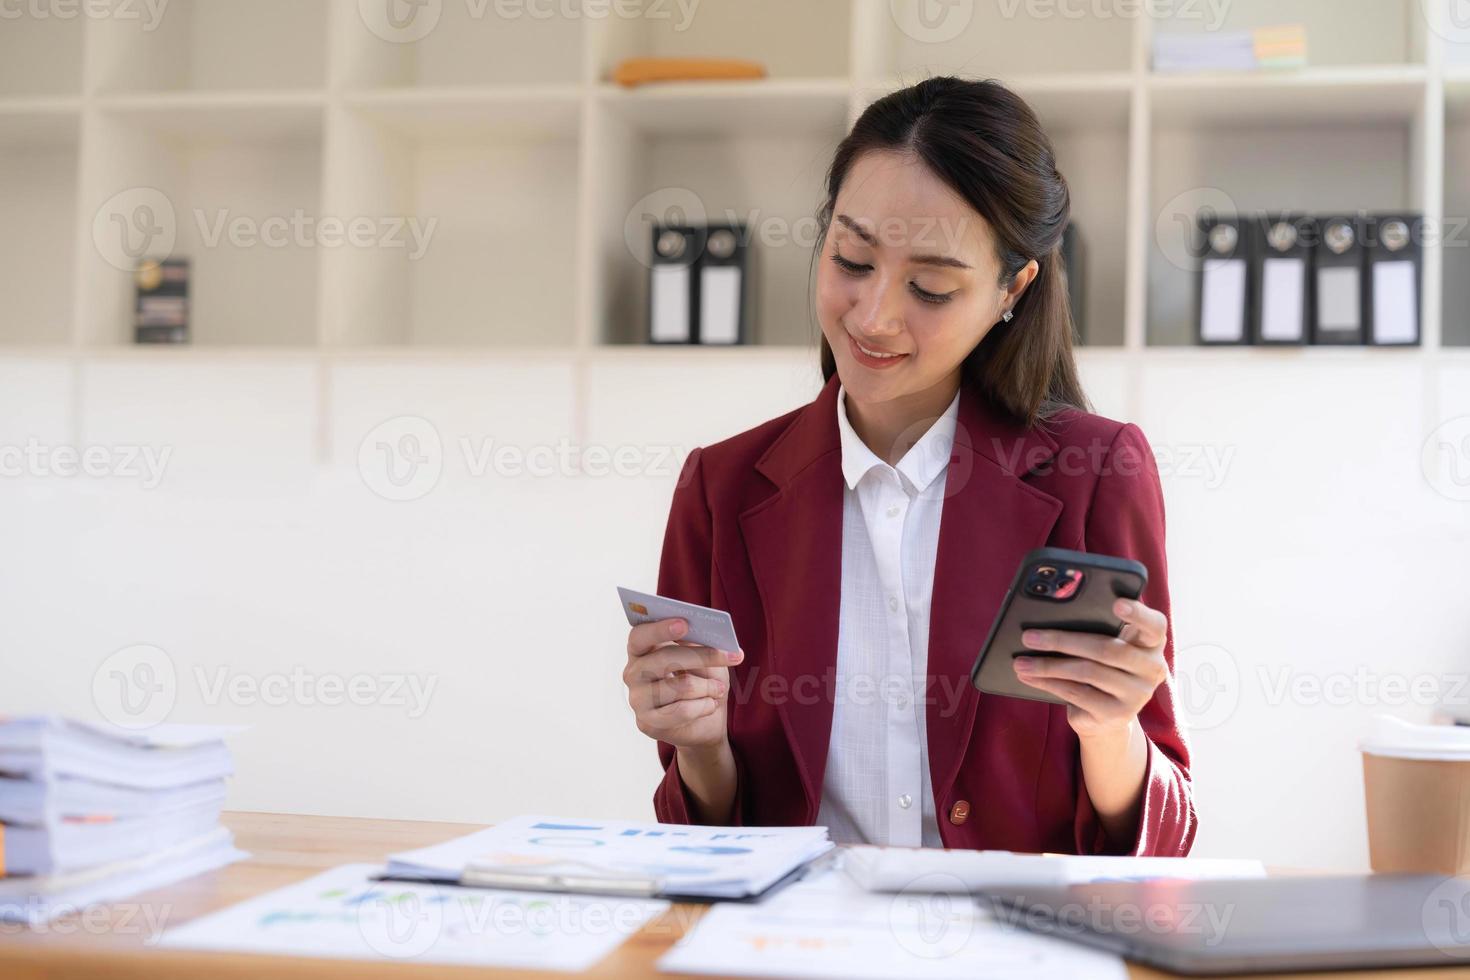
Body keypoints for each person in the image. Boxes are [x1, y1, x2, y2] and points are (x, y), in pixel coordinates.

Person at [621, 76, 1195, 856]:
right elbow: (702, 845)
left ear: (1011, 290)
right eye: (852, 259)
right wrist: (698, 748)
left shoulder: (1093, 473)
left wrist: (1111, 729)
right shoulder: (720, 488)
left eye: (930, 285)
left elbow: (1164, 843)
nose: (874, 316)